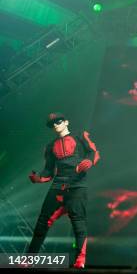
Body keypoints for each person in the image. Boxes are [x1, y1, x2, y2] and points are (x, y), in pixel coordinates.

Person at [26, 113, 100, 269]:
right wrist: (38, 178)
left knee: (78, 223)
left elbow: (93, 152)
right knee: (42, 223)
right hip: (57, 186)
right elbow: (48, 171)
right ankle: (28, 259)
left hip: (77, 185)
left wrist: (88, 161)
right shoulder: (50, 146)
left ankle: (80, 261)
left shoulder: (80, 136)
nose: (55, 125)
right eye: (52, 124)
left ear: (66, 122)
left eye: (58, 121)